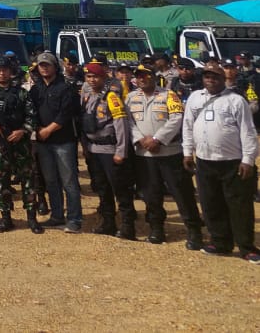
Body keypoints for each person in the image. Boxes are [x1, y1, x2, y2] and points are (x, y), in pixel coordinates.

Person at [182, 60, 259, 263]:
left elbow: (248, 131)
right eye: (207, 76)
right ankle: (220, 242)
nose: (211, 80)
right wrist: (187, 153)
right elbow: (187, 126)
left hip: (232, 162)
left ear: (222, 79)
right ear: (203, 78)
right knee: (211, 203)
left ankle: (246, 246)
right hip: (205, 161)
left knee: (239, 206)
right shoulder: (194, 98)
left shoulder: (235, 101)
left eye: (215, 76)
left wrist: (248, 160)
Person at [126, 63, 203, 248]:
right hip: (144, 154)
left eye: (146, 75)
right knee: (151, 194)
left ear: (154, 76)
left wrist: (158, 139)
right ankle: (156, 228)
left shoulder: (169, 95)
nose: (142, 79)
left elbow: (177, 118)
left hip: (169, 153)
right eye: (139, 76)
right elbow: (128, 122)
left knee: (182, 193)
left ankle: (194, 231)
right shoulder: (130, 98)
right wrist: (140, 140)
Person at [0, 56, 40, 234]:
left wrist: (23, 131)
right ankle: (6, 218)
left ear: (11, 72)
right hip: (0, 143)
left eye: (5, 69)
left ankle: (32, 218)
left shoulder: (21, 92)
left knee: (28, 180)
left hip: (20, 142)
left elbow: (32, 116)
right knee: (1, 181)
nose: (2, 73)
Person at [79, 61, 135, 240]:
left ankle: (128, 225)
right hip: (94, 149)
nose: (92, 80)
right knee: (102, 189)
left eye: (95, 76)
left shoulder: (111, 97)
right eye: (89, 77)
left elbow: (121, 126)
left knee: (120, 188)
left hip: (110, 149)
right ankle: (108, 222)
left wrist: (121, 151)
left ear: (103, 77)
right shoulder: (87, 96)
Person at [29, 51, 83, 233]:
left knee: (69, 181)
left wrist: (48, 129)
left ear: (55, 67)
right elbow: (31, 112)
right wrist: (36, 130)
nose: (44, 68)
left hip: (63, 141)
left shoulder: (65, 87)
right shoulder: (36, 89)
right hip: (43, 142)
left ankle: (74, 219)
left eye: (47, 65)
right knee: (51, 181)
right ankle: (57, 215)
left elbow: (66, 114)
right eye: (41, 65)